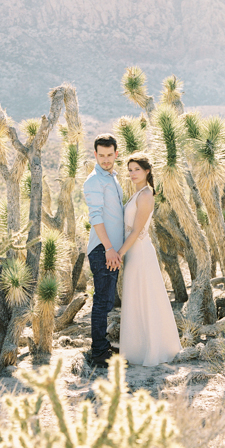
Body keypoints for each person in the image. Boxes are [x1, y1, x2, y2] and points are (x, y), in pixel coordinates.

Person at [117, 153, 182, 366]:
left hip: (140, 252)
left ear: (147, 171)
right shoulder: (137, 194)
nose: (132, 173)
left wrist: (119, 253)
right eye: (130, 170)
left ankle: (154, 349)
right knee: (136, 297)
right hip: (134, 252)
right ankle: (137, 348)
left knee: (145, 296)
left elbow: (136, 230)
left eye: (137, 169)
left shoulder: (146, 195)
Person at [83, 134, 124, 367]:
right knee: (102, 301)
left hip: (111, 249)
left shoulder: (111, 178)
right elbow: (96, 217)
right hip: (103, 249)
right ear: (95, 155)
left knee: (107, 300)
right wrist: (109, 247)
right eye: (102, 155)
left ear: (116, 154)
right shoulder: (94, 181)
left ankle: (103, 345)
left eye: (110, 155)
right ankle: (99, 352)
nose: (106, 160)